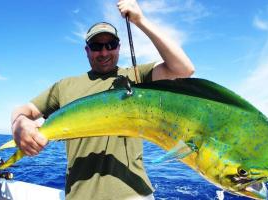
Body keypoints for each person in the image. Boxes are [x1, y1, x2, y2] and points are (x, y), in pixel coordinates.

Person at [10, 0, 195, 199]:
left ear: (119, 47)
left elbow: (184, 69)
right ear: (87, 50)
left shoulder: (136, 76)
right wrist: (19, 124)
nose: (104, 52)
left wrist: (140, 21)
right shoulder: (65, 86)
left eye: (111, 45)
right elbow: (23, 110)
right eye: (97, 46)